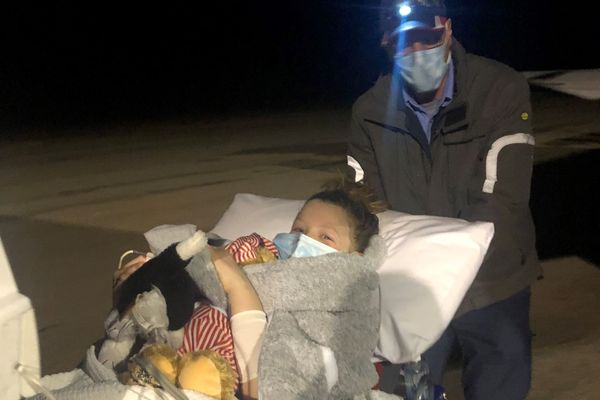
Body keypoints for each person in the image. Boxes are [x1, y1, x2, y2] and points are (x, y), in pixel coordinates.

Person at [346, 1, 541, 399]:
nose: (418, 51)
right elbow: (364, 205)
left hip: (492, 276)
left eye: (428, 37)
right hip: (413, 282)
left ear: (448, 30)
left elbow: (503, 197)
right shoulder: (369, 111)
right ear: (387, 46)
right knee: (400, 389)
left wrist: (452, 264)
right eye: (405, 43)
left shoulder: (499, 88)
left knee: (500, 379)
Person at [112, 180, 383, 399]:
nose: (302, 240)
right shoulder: (256, 258)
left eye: (325, 236)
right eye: (299, 229)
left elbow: (275, 388)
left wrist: (238, 286)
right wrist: (141, 282)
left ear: (354, 261)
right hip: (158, 369)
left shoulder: (340, 321)